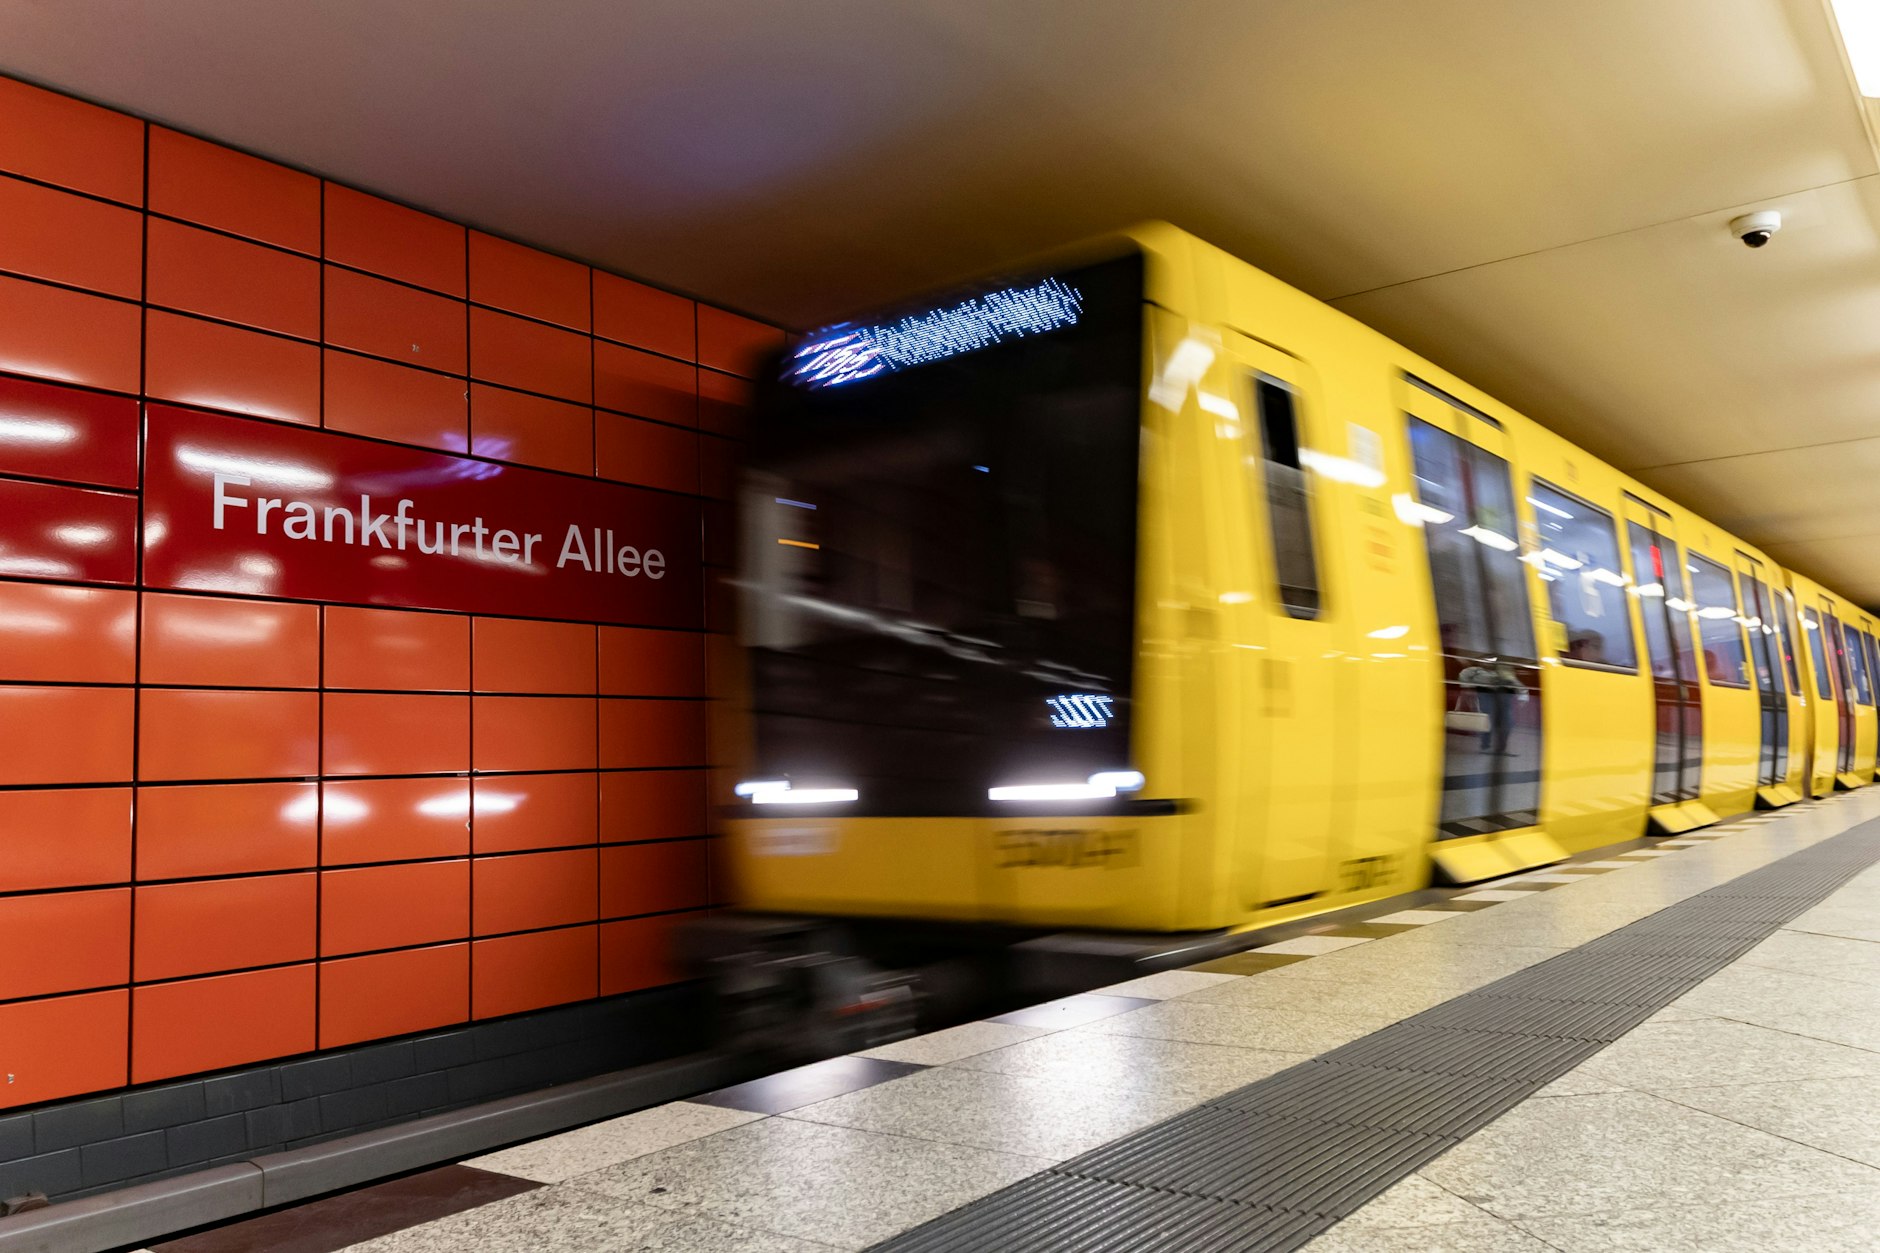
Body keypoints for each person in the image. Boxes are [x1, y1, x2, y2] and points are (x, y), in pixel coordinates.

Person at [1458, 657, 1524, 755]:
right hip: (1486, 694)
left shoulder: (1503, 671)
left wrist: (1522, 694)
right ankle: (1485, 746)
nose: (1488, 663)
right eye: (1486, 661)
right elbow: (1463, 675)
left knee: (1507, 723)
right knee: (1488, 721)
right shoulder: (1476, 670)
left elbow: (1515, 682)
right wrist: (1467, 688)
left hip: (1504, 696)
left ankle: (1501, 749)